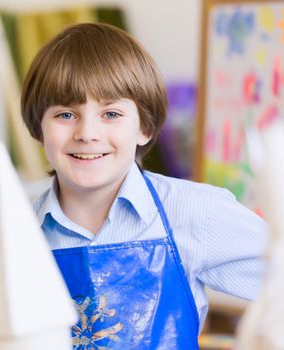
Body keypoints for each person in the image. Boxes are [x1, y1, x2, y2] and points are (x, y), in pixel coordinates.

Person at [21, 22, 267, 349]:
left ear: (145, 128)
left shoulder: (195, 211)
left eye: (110, 113)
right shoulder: (15, 231)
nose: (87, 133)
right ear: (39, 129)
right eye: (66, 115)